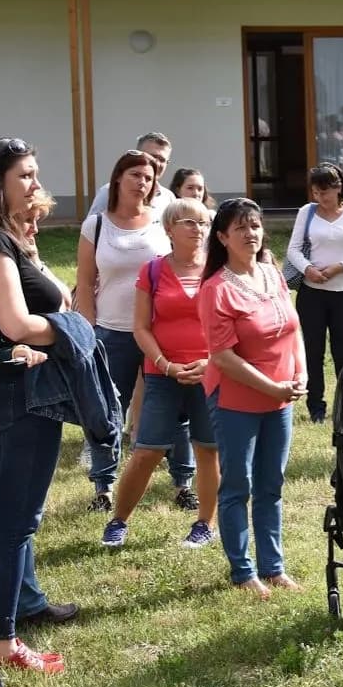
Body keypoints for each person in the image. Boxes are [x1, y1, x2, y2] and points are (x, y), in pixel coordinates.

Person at [0, 137, 73, 673]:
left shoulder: (3, 240)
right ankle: (2, 645)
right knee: (14, 524)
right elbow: (15, 325)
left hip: (17, 393)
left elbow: (48, 297)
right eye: (24, 175)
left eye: (34, 173)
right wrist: (72, 329)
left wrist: (31, 247)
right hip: (24, 397)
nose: (34, 183)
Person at [198, 198, 309, 600]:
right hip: (236, 400)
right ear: (223, 237)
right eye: (241, 227)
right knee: (238, 486)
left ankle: (274, 567)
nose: (251, 233)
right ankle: (243, 571)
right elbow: (223, 358)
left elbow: (292, 328)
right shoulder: (215, 289)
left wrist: (301, 372)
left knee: (271, 484)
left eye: (256, 225)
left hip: (282, 397)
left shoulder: (271, 273)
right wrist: (273, 387)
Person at [76, 151, 194, 513]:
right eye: (136, 175)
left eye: (149, 177)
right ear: (118, 180)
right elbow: (85, 283)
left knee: (175, 409)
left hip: (160, 334)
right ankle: (103, 486)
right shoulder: (96, 225)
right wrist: (90, 332)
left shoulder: (162, 224)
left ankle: (183, 483)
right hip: (111, 333)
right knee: (108, 410)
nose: (143, 182)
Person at [100, 199, 222, 550]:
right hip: (161, 373)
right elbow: (140, 327)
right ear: (168, 229)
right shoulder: (151, 271)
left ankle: (204, 524)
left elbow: (231, 327)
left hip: (209, 374)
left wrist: (210, 362)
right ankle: (118, 521)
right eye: (189, 222)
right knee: (147, 451)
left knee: (208, 449)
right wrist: (165, 364)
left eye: (203, 223)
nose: (198, 229)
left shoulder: (217, 271)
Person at [284, 162, 343, 424]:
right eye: (315, 192)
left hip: (342, 292)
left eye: (324, 192)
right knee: (313, 351)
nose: (319, 198)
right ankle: (316, 407)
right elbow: (293, 249)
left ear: (338, 188)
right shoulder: (307, 212)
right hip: (311, 293)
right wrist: (308, 269)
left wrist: (340, 268)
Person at [86, 132, 175, 219]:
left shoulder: (168, 198)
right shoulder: (109, 192)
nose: (157, 163)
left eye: (162, 160)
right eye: (152, 157)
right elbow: (92, 230)